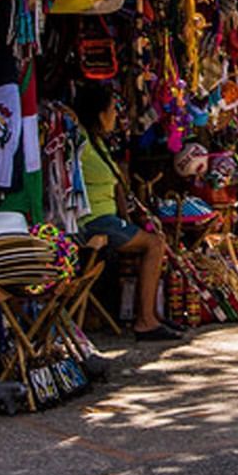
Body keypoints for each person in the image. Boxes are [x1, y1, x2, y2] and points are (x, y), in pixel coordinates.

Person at [74, 82, 182, 342]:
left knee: (157, 239)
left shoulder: (97, 143)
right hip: (92, 222)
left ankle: (153, 314)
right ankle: (145, 320)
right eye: (112, 109)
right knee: (154, 245)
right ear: (99, 113)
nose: (116, 115)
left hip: (108, 219)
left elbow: (117, 187)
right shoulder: (79, 139)